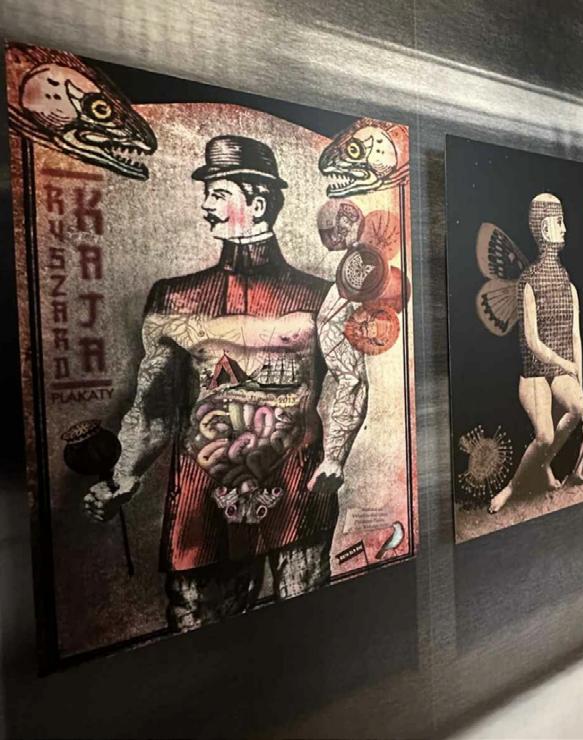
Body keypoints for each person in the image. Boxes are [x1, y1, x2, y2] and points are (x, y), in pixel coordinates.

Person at [83, 135, 369, 630]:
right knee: (199, 641)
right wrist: (124, 475)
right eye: (207, 194)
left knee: (308, 633)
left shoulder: (323, 297)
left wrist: (336, 457)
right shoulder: (173, 298)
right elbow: (153, 406)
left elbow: (350, 379)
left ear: (257, 202)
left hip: (299, 493)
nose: (206, 205)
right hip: (202, 502)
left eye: (217, 193)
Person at [488, 193, 583, 513]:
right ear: (544, 229)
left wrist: (579, 380)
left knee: (578, 407)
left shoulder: (569, 286)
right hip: (533, 372)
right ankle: (511, 488)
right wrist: (565, 363)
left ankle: (543, 464)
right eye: (559, 222)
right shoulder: (528, 282)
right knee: (544, 435)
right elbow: (532, 342)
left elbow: (575, 337)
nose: (565, 229)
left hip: (558, 371)